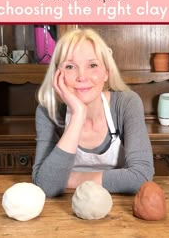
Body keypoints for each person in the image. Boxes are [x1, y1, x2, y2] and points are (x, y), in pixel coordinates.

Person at [32, 28, 154, 197]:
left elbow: (141, 176)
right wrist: (78, 115)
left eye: (93, 65)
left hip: (119, 208)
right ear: (57, 75)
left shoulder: (126, 104)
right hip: (62, 211)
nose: (82, 76)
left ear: (106, 73)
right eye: (70, 66)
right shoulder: (48, 111)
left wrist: (66, 180)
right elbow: (44, 185)